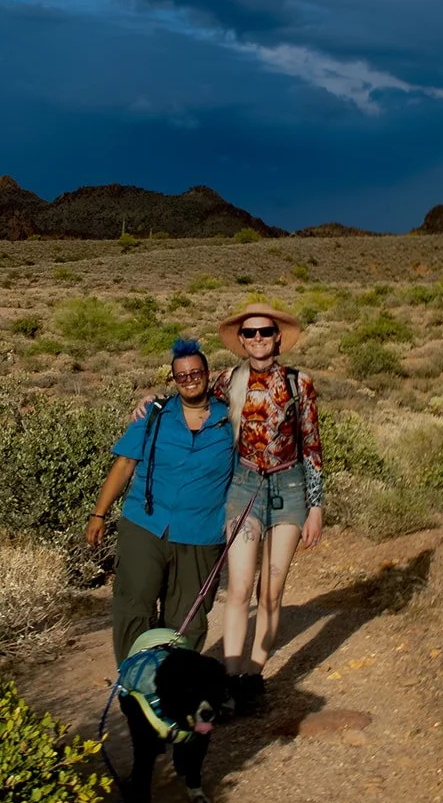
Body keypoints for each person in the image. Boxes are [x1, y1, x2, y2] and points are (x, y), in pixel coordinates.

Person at [86, 338, 237, 668]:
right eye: (181, 376)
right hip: (145, 523)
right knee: (133, 604)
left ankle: (172, 683)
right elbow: (125, 464)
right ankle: (135, 679)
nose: (190, 380)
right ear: (174, 380)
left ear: (207, 374)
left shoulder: (230, 422)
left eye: (195, 372)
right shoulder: (154, 414)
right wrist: (99, 514)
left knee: (188, 617)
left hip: (201, 533)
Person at [212, 303, 324, 715]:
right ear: (241, 341)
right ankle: (229, 677)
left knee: (271, 592)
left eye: (265, 332)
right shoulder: (226, 381)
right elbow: (186, 398)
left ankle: (252, 677)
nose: (258, 339)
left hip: (290, 489)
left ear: (278, 337)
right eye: (250, 333)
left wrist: (316, 506)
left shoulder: (300, 383)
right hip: (244, 487)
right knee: (239, 589)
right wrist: (151, 400)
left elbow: (312, 446)